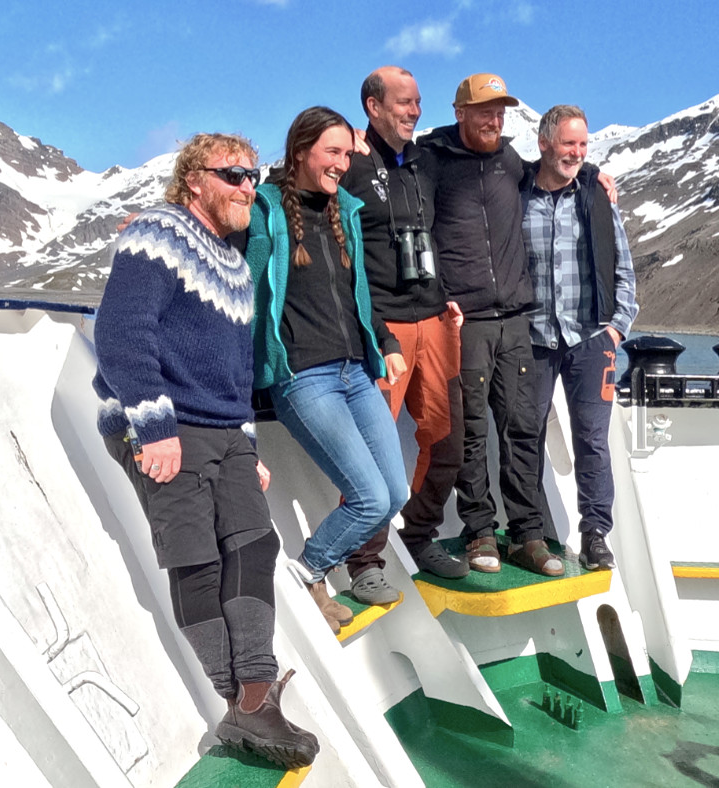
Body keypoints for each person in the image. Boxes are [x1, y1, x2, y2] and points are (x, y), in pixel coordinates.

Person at [93, 133, 318, 767]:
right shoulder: (158, 233)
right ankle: (241, 703)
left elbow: (231, 369)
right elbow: (121, 331)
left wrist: (247, 439)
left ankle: (254, 696)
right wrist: (153, 427)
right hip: (165, 423)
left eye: (253, 176)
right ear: (194, 180)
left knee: (255, 544)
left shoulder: (235, 266)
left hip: (224, 430)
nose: (248, 186)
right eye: (233, 175)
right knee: (197, 561)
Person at [245, 106, 409, 631]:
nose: (341, 163)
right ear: (300, 152)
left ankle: (313, 573)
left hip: (356, 373)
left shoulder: (345, 212)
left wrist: (384, 342)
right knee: (369, 498)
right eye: (331, 152)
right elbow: (240, 283)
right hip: (303, 377)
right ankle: (310, 574)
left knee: (395, 494)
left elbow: (358, 293)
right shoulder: (265, 210)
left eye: (346, 153)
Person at [418, 74, 567, 577]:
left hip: (516, 321)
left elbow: (553, 174)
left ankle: (528, 534)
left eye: (500, 111)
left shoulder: (509, 161)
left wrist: (593, 176)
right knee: (471, 433)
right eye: (485, 110)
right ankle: (480, 530)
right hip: (465, 322)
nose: (495, 120)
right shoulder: (431, 160)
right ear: (460, 111)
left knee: (522, 429)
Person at [339, 66, 468, 597]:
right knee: (374, 448)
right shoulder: (348, 162)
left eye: (417, 102)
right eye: (403, 103)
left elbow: (482, 148)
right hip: (382, 323)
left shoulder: (426, 159)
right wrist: (340, 135)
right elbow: (291, 181)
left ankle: (417, 535)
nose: (414, 111)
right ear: (373, 107)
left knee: (447, 440)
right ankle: (363, 560)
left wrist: (591, 175)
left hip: (433, 318)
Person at [521, 105, 638, 570]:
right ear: (544, 143)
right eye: (569, 143)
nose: (577, 153)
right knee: (524, 437)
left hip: (591, 338)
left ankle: (595, 534)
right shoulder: (517, 195)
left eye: (584, 145)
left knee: (592, 439)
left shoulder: (596, 197)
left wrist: (617, 329)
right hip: (532, 338)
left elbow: (625, 270)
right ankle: (530, 532)